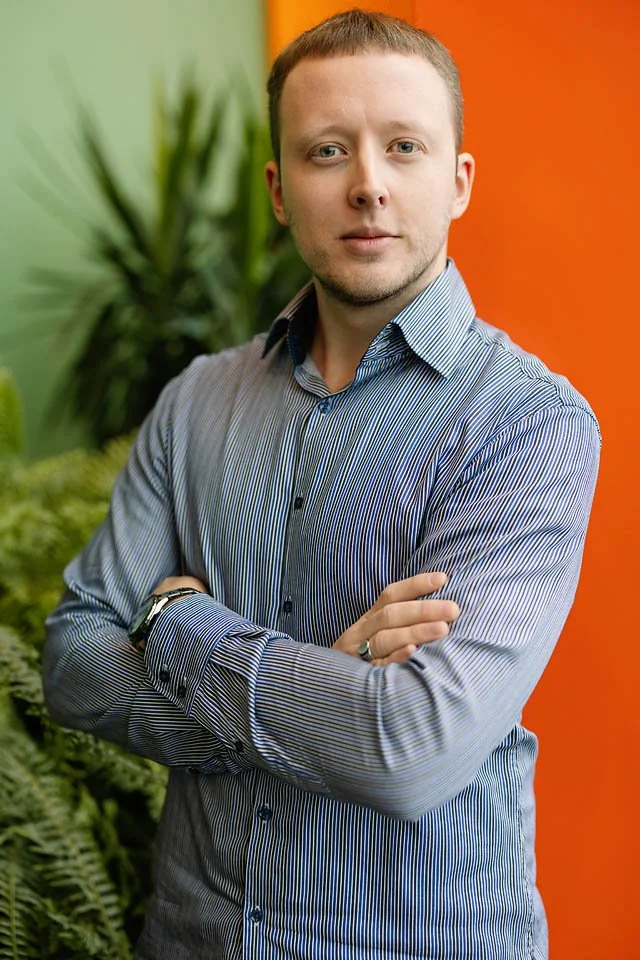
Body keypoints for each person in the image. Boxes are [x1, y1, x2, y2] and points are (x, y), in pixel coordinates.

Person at [43, 9, 600, 959]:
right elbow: (73, 660)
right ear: (278, 188)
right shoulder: (195, 401)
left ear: (459, 181)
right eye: (328, 150)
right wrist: (321, 687)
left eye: (405, 147)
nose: (369, 185)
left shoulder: (528, 423)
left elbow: (410, 749)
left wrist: (178, 623)